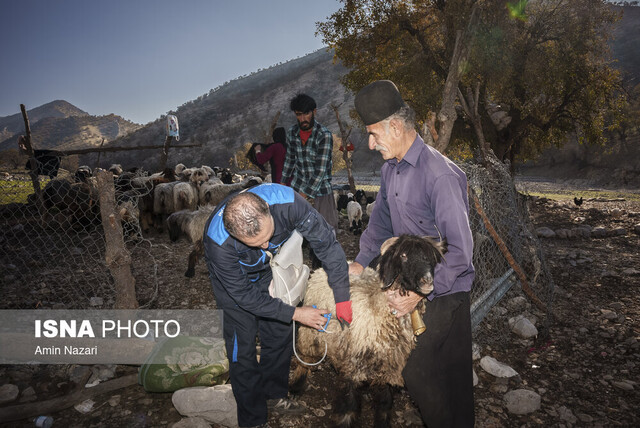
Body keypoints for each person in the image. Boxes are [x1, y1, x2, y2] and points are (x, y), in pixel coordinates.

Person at [349, 80, 475, 427]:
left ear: (395, 126)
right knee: (446, 373)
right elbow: (379, 224)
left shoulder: (440, 175)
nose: (371, 144)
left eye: (374, 134)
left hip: (446, 290)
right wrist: (360, 263)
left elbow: (461, 250)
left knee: (418, 368)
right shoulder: (391, 171)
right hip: (415, 284)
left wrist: (419, 292)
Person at [203, 183, 353, 428]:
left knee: (280, 330)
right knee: (243, 347)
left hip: (273, 268)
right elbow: (245, 297)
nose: (264, 245)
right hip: (237, 283)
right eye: (255, 243)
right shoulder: (218, 243)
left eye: (267, 236)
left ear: (268, 211)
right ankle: (252, 419)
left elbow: (326, 245)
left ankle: (274, 395)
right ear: (234, 235)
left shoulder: (290, 203)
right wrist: (297, 313)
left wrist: (343, 296)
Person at [280, 94, 339, 231]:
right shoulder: (292, 133)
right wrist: (282, 185)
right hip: (298, 186)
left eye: (306, 114)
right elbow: (289, 160)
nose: (302, 119)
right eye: (298, 115)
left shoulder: (323, 135)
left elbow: (320, 170)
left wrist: (304, 195)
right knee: (298, 232)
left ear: (314, 112)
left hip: (321, 192)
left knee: (326, 231)